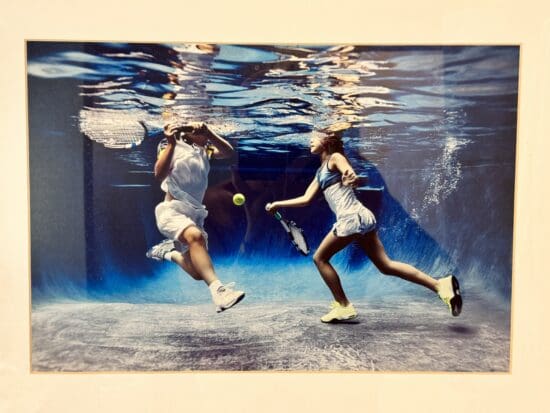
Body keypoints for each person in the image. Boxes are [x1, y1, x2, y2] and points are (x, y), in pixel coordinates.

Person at [265, 125, 462, 323]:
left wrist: (351, 177)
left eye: (315, 136)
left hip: (351, 219)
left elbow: (349, 172)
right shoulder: (319, 172)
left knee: (320, 259)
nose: (311, 139)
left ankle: (343, 306)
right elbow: (306, 198)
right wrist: (277, 204)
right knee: (386, 265)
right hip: (362, 217)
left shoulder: (335, 158)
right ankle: (440, 285)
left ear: (327, 139)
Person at [146, 121, 245, 312]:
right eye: (195, 127)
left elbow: (229, 153)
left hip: (194, 215)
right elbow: (159, 174)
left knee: (199, 273)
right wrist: (171, 143)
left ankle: (168, 252)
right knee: (195, 237)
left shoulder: (204, 151)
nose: (199, 128)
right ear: (186, 133)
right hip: (171, 212)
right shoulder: (172, 147)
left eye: (202, 127)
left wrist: (209, 131)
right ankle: (219, 291)